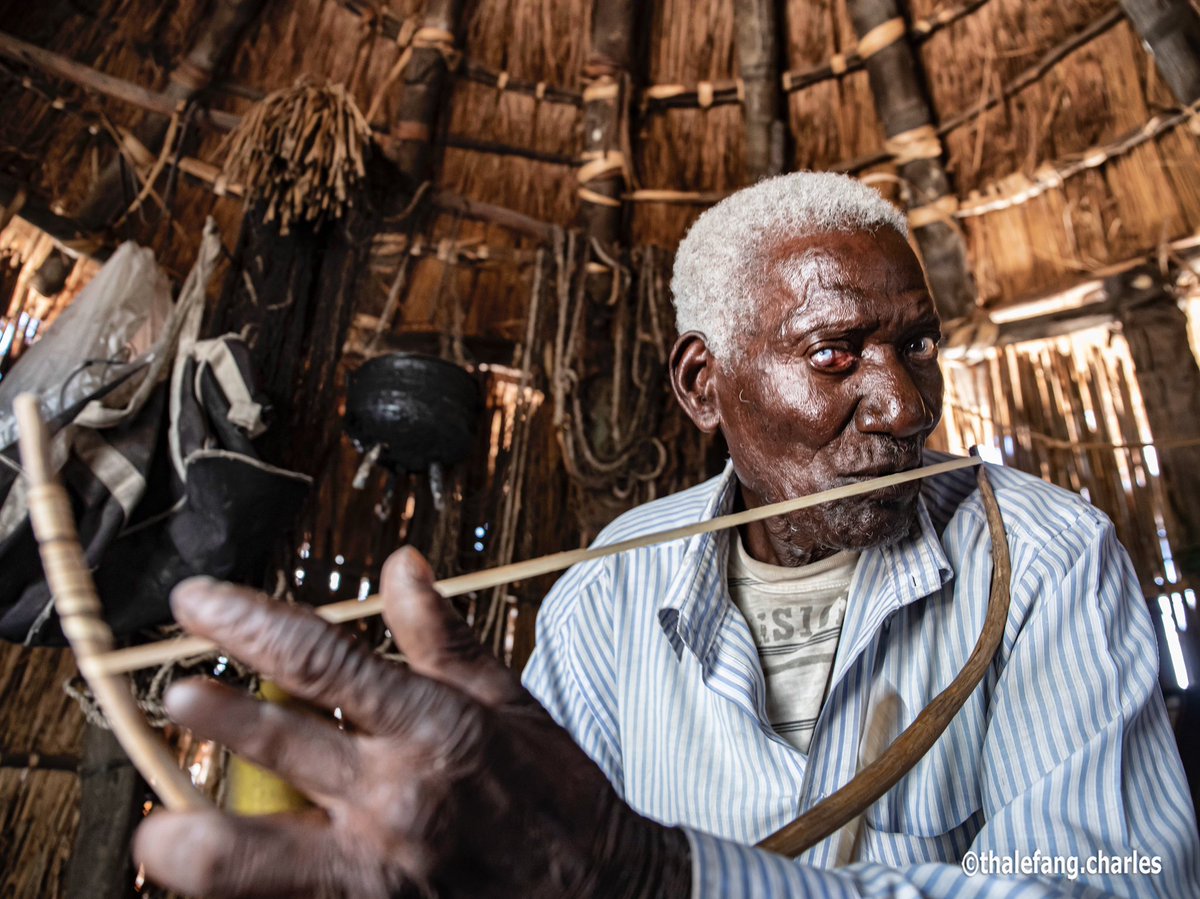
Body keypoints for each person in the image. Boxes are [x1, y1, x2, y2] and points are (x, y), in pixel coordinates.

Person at [134, 173, 1200, 897]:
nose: (905, 404)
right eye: (836, 352)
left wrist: (653, 873)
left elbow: (1121, 880)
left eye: (917, 344)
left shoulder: (1047, 557)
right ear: (703, 384)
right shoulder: (610, 591)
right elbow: (537, 861)